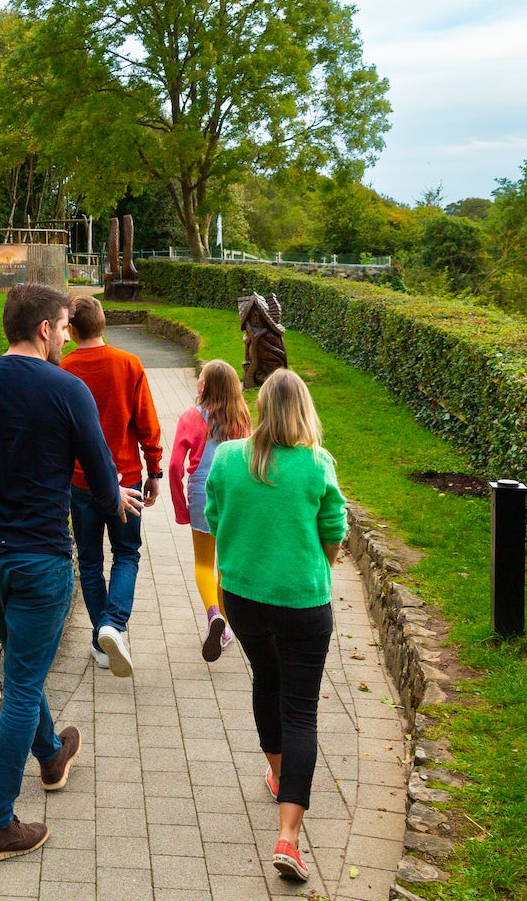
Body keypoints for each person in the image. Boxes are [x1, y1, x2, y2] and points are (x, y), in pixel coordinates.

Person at [0, 282, 140, 863]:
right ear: (47, 328)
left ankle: (52, 754)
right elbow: (102, 476)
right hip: (41, 562)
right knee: (23, 686)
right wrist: (117, 501)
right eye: (60, 325)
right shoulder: (66, 389)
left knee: (20, 664)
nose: (63, 336)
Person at [203, 368, 347, 884]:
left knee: (267, 680)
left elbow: (216, 519)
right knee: (301, 710)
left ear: (261, 407)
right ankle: (289, 836)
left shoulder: (227, 457)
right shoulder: (316, 464)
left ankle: (280, 774)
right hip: (304, 603)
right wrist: (314, 560)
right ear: (304, 408)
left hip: (242, 598)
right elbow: (334, 533)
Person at [60, 295, 162, 678]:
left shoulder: (64, 368)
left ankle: (100, 640)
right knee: (127, 554)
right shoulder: (130, 364)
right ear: (104, 324)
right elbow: (147, 424)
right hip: (128, 478)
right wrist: (155, 470)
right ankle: (113, 626)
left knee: (89, 561)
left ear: (71, 329)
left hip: (80, 480)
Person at [167, 359, 250, 661]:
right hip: (234, 495)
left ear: (206, 386)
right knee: (225, 565)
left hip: (202, 493)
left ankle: (214, 615)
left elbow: (176, 466)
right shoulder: (242, 418)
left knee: (203, 563)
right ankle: (225, 623)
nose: (198, 382)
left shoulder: (191, 416)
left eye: (201, 378)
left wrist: (180, 507)